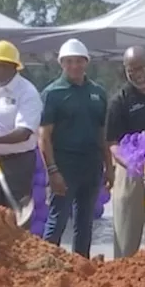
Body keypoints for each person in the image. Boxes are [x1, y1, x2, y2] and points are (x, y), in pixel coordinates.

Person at [40, 38, 113, 258]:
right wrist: (53, 171)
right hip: (65, 165)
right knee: (58, 220)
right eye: (69, 62)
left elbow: (103, 135)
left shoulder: (98, 93)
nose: (75, 66)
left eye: (79, 61)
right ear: (62, 63)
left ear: (86, 63)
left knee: (85, 222)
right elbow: (44, 136)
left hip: (91, 165)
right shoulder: (53, 93)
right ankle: (46, 268)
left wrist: (108, 168)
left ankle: (81, 269)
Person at [106, 46, 145, 258]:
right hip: (132, 172)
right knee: (126, 237)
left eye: (141, 67)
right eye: (131, 69)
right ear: (125, 70)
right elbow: (113, 144)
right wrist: (130, 162)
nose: (137, 73)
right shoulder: (120, 100)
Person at [0, 40, 43, 211]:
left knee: (14, 213)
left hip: (17, 163)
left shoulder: (27, 92)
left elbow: (25, 131)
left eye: (4, 65)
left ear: (14, 67)